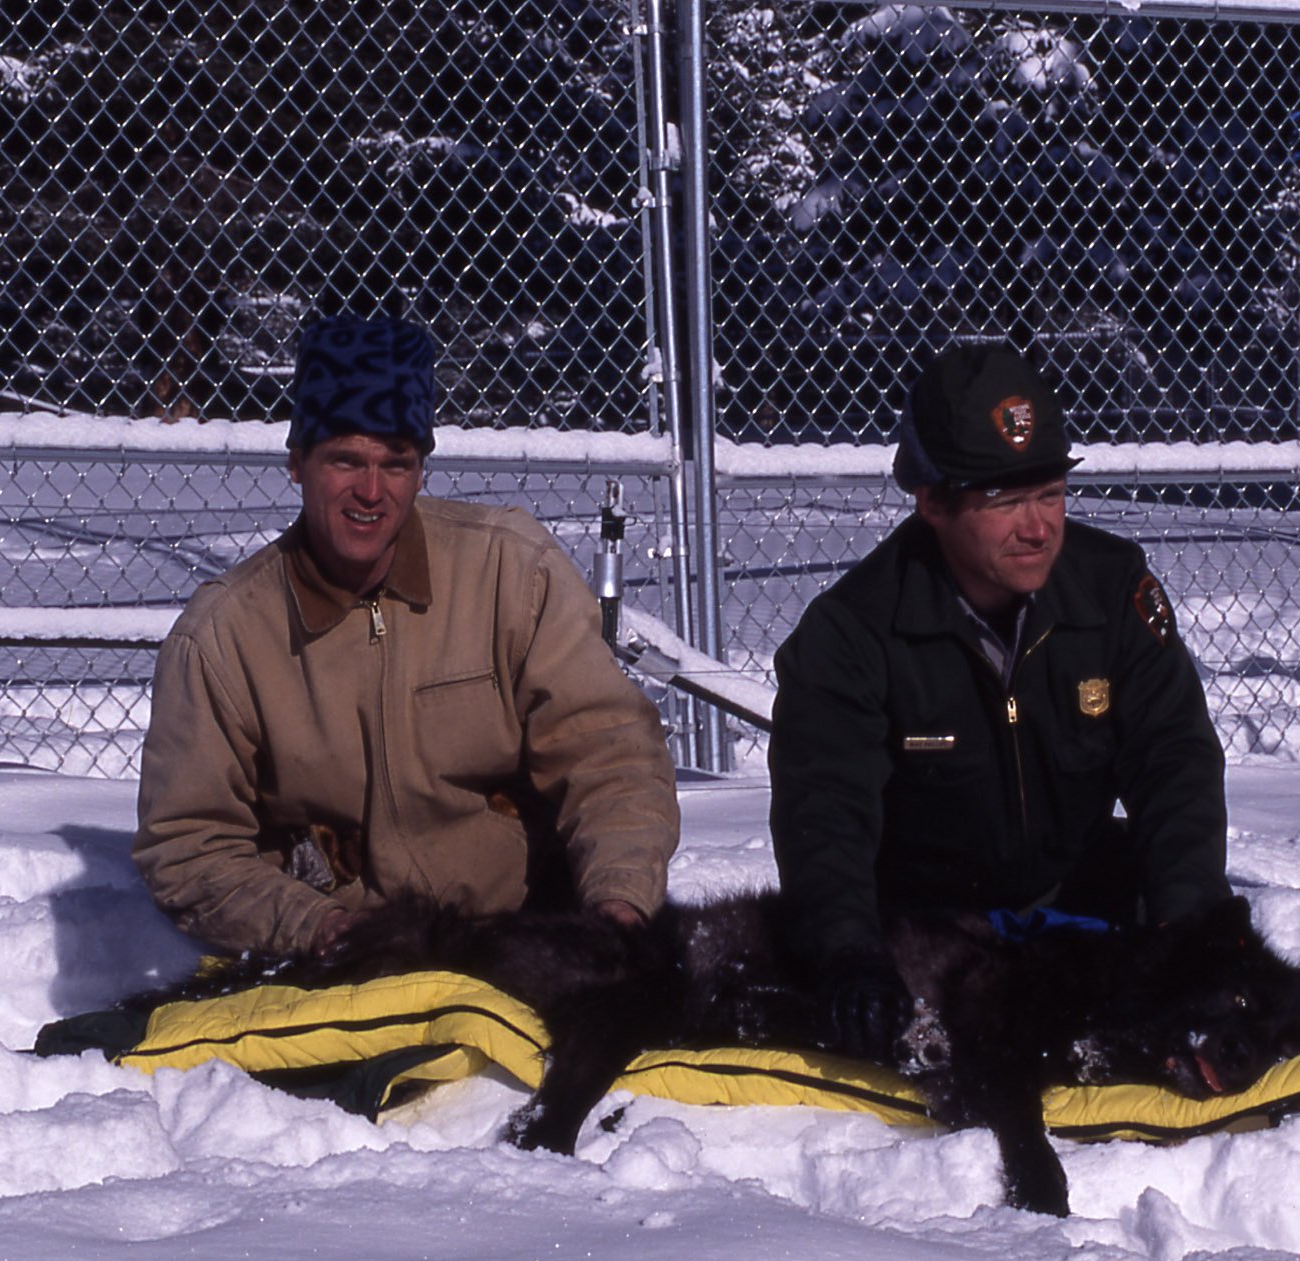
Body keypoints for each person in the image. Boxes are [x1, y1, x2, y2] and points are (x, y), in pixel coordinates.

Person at [135, 314, 679, 955]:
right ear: (297, 464)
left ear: (422, 470)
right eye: (345, 460)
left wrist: (616, 904)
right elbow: (188, 844)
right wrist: (317, 926)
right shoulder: (224, 637)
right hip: (349, 957)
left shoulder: (511, 572)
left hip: (534, 933)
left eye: (395, 464)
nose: (370, 492)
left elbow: (610, 754)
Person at [768, 343, 1230, 1060]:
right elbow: (823, 813)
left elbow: (1174, 762)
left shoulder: (1113, 592)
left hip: (1080, 902)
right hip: (929, 929)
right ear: (932, 503)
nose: (1038, 525)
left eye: (1049, 493)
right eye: (1004, 499)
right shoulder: (852, 631)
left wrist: (1187, 925)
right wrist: (846, 950)